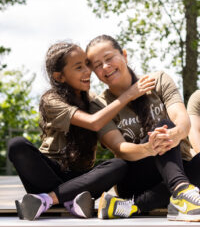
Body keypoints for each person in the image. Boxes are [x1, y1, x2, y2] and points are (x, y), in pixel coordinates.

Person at [8, 41, 155, 221]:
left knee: (118, 165)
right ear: (59, 77)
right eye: (79, 67)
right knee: (17, 145)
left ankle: (48, 200)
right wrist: (129, 94)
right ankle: (71, 200)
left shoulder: (94, 101)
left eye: (87, 64)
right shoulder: (51, 100)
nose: (88, 71)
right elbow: (94, 123)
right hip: (50, 174)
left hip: (82, 177)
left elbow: (106, 134)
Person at [86, 34, 200, 222]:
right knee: (163, 127)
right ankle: (181, 192)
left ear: (124, 55)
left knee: (166, 128)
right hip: (136, 177)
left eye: (108, 58)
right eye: (97, 65)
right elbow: (119, 147)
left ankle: (133, 206)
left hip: (179, 165)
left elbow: (182, 119)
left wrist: (175, 133)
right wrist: (149, 148)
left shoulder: (159, 80)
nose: (105, 67)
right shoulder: (99, 105)